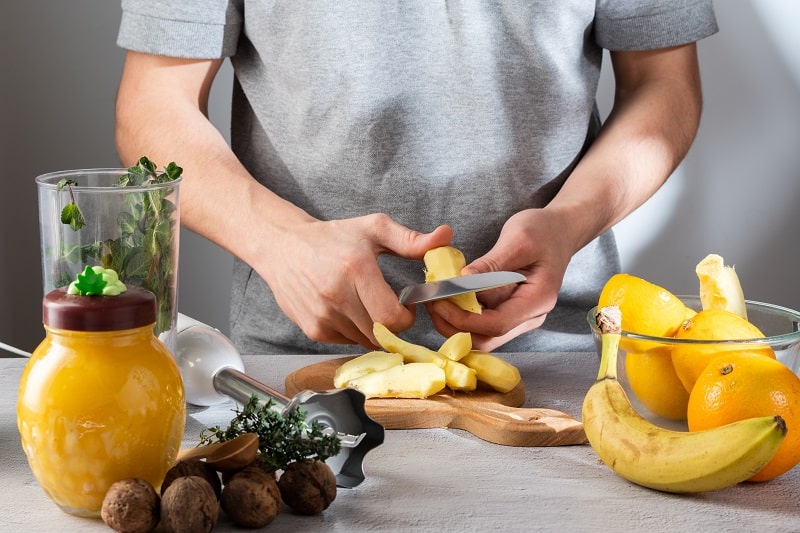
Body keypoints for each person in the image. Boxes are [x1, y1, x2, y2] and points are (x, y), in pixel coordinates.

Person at [115, 2, 718, 356]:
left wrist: (566, 225)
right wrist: (277, 241)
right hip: (299, 363)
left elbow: (663, 85)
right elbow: (153, 104)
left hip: (559, 354)